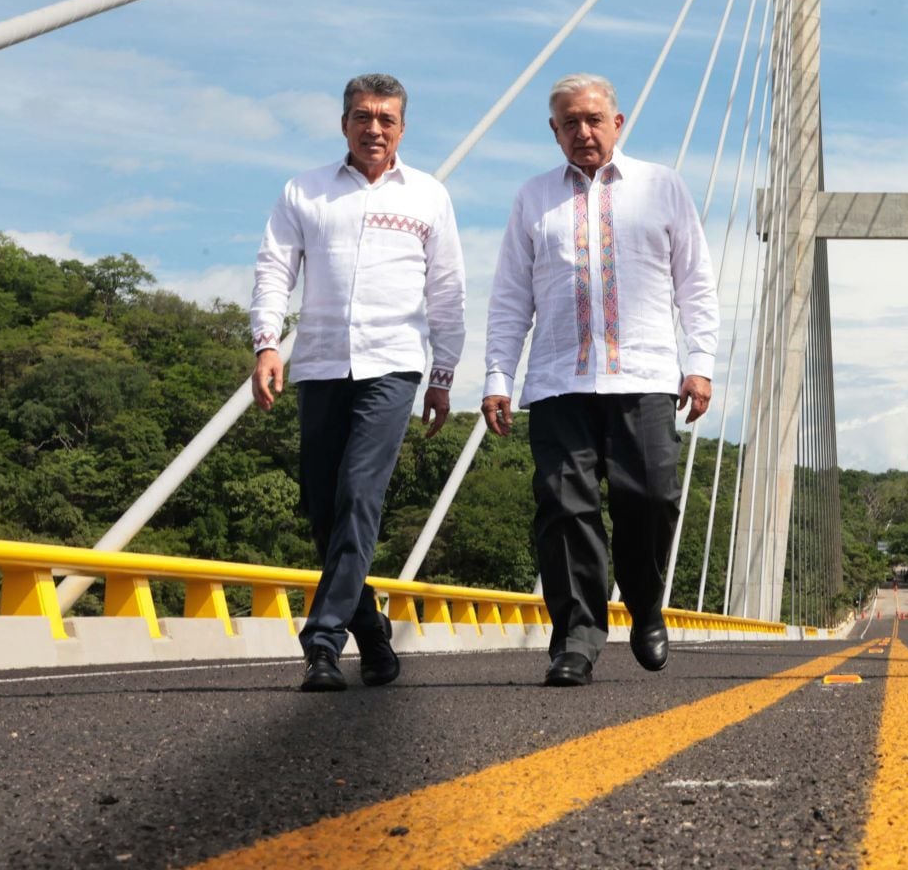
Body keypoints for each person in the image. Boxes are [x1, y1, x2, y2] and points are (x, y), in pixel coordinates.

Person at [483, 73, 718, 687]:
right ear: (554, 131)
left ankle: (644, 605)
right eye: (569, 122)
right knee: (564, 508)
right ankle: (577, 639)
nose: (582, 131)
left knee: (652, 498)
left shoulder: (663, 188)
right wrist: (497, 375)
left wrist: (702, 365)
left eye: (593, 119)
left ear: (617, 123)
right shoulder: (533, 198)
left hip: (643, 375)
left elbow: (695, 282)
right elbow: (510, 296)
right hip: (559, 379)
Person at [249, 73, 465, 693]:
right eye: (363, 117)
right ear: (343, 122)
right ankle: (372, 633)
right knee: (323, 509)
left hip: (392, 366)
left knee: (359, 496)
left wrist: (443, 375)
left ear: (403, 127)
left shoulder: (428, 196)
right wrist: (267, 342)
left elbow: (447, 291)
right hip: (318, 364)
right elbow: (273, 269)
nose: (375, 129)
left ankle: (322, 641)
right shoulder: (305, 190)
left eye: (387, 119)